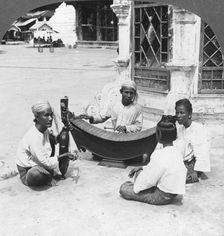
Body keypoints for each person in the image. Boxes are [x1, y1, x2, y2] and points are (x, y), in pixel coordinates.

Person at [119, 116, 186, 205]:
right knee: (141, 173)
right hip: (174, 191)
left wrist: (137, 186)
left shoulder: (159, 154)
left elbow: (148, 180)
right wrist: (143, 168)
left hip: (162, 195)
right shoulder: (177, 151)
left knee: (124, 189)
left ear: (159, 135)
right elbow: (162, 167)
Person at [16, 100, 77, 187]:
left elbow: (56, 140)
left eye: (51, 115)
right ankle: (48, 176)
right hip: (27, 171)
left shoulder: (44, 129)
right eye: (46, 115)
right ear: (37, 117)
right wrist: (64, 155)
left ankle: (48, 174)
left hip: (39, 163)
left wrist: (65, 129)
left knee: (51, 139)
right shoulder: (34, 137)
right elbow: (45, 161)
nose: (50, 118)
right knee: (36, 175)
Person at [175, 98, 210, 184]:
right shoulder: (180, 128)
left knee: (174, 180)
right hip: (182, 163)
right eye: (177, 112)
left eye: (182, 113)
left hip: (192, 165)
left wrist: (196, 171)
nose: (178, 116)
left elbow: (202, 153)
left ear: (189, 114)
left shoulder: (198, 129)